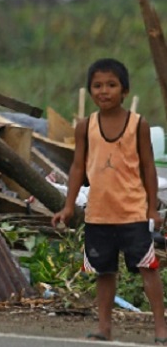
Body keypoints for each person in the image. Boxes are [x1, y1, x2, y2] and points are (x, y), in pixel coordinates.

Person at [52, 58, 167, 342]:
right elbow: (77, 167)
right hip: (98, 214)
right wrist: (68, 206)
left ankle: (161, 328)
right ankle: (104, 328)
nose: (104, 91)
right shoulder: (85, 126)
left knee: (148, 268)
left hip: (132, 212)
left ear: (124, 90)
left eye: (111, 85)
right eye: (97, 86)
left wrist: (152, 208)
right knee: (104, 272)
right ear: (90, 90)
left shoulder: (138, 124)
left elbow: (148, 167)